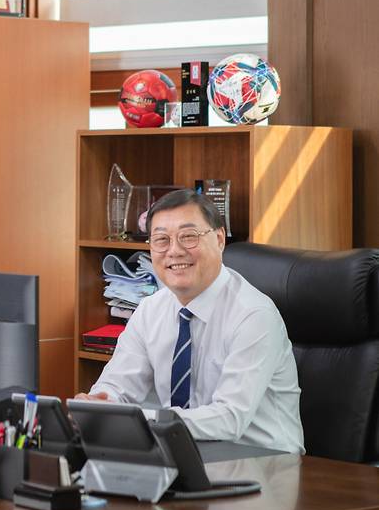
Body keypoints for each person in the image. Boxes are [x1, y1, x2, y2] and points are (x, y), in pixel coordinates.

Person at [77, 189, 304, 454]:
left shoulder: (253, 315)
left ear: (219, 239)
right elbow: (118, 385)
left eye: (188, 236)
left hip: (265, 462)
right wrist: (100, 403)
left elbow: (230, 418)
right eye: (161, 240)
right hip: (185, 453)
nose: (174, 251)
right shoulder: (150, 310)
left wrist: (141, 420)